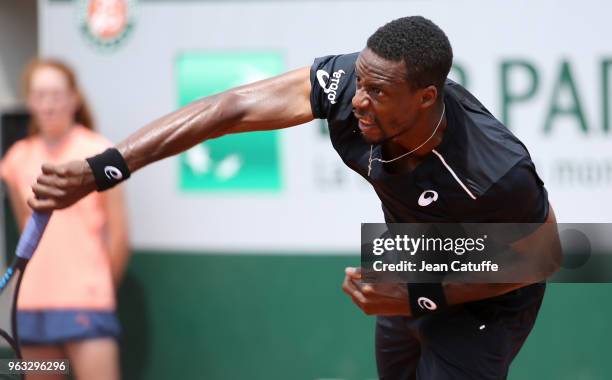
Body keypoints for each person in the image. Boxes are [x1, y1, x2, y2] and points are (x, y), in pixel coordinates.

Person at [28, 17, 560, 380]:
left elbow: (546, 255)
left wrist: (421, 293)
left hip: (484, 294)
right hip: (409, 256)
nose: (357, 99)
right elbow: (230, 108)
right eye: (359, 82)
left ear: (425, 98)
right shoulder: (352, 85)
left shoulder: (493, 168)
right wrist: (106, 167)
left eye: (376, 91)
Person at [1, 58, 129, 380]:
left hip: (88, 305)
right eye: (40, 94)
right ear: (29, 100)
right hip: (31, 307)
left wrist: (97, 288)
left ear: (74, 98)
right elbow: (25, 228)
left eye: (56, 94)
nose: (48, 104)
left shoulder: (99, 151)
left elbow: (120, 237)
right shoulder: (17, 158)